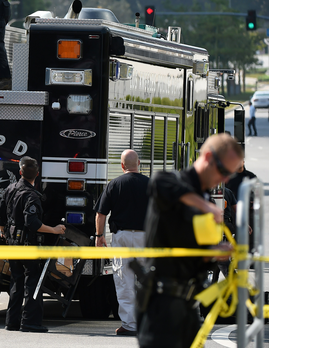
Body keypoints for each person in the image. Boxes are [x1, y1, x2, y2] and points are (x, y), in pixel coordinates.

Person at [136, 134, 242, 347]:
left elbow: (196, 255)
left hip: (188, 305)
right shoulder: (175, 183)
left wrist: (215, 252)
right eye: (223, 171)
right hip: (162, 303)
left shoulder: (205, 199)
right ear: (208, 158)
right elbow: (159, 183)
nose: (225, 179)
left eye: (229, 174)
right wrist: (206, 207)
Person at [0, 156, 66, 333]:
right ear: (38, 174)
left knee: (16, 282)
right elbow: (32, 223)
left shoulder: (10, 189)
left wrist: (4, 232)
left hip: (13, 245)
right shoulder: (32, 196)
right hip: (28, 246)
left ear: (20, 172)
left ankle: (12, 322)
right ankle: (30, 322)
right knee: (32, 283)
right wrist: (55, 230)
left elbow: (1, 216)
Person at [94, 150, 150, 337]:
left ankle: (130, 324)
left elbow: (101, 214)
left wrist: (99, 235)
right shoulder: (151, 184)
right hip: (145, 237)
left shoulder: (114, 184)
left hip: (122, 236)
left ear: (122, 165)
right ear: (139, 163)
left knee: (123, 279)